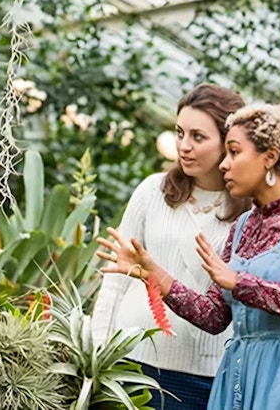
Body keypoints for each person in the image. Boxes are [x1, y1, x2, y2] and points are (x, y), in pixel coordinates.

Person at [96, 102, 280, 410]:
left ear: (270, 157)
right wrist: (154, 274)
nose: (224, 164)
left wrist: (240, 283)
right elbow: (213, 317)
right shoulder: (243, 226)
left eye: (234, 152)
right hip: (238, 374)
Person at [92, 83, 250, 410]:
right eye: (180, 133)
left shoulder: (248, 214)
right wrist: (98, 352)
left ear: (228, 144)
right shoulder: (152, 191)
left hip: (202, 377)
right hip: (129, 362)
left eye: (198, 136)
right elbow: (115, 281)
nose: (184, 146)